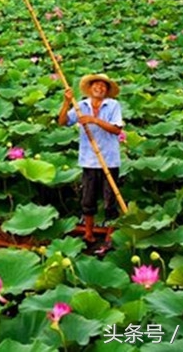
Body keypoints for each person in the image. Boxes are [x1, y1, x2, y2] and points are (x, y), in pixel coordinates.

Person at [57, 73, 124, 242]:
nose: (99, 88)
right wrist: (66, 102)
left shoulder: (113, 105)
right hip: (89, 160)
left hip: (109, 159)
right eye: (96, 85)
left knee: (110, 200)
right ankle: (88, 234)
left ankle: (110, 236)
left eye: (103, 86)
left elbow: (117, 129)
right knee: (88, 200)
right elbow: (63, 122)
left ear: (107, 90)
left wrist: (94, 120)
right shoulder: (80, 105)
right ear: (90, 88)